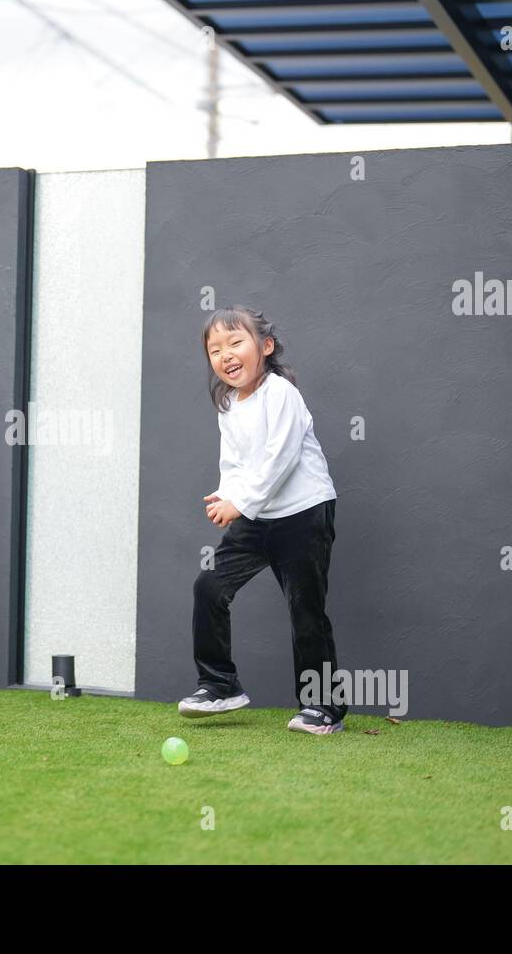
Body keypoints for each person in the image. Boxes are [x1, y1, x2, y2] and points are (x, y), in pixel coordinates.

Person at [178, 306, 346, 735]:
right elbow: (234, 462)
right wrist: (228, 493)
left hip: (304, 512)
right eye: (215, 349)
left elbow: (281, 458)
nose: (225, 355)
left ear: (265, 347)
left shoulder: (281, 394)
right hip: (258, 515)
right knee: (209, 587)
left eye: (236, 343)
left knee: (305, 608)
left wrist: (241, 502)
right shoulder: (229, 403)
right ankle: (219, 686)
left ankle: (323, 709)